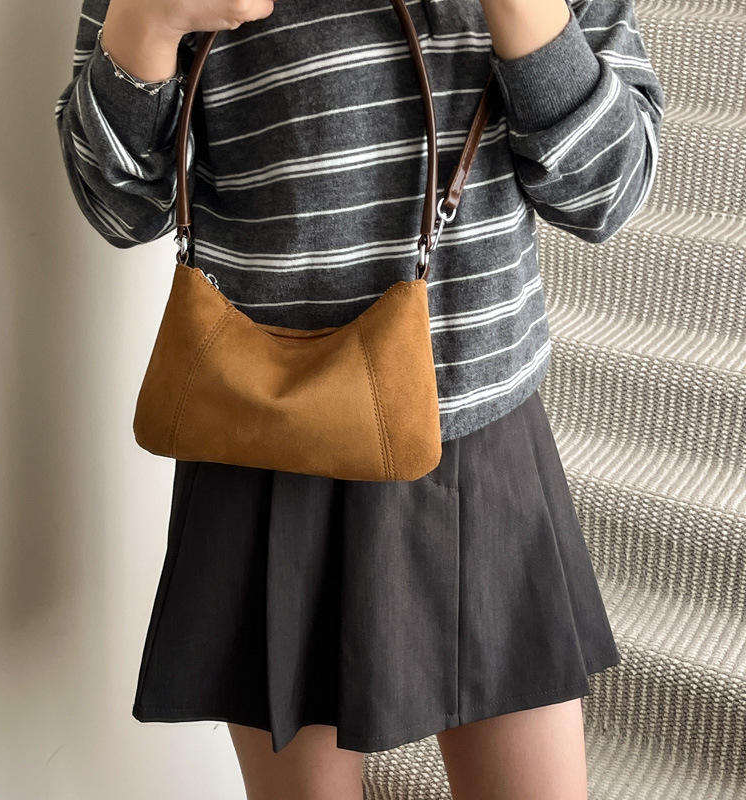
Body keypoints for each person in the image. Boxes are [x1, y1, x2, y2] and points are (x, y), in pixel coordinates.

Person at [54, 0, 664, 797]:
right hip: (263, 443)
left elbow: (610, 192)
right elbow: (117, 206)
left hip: (477, 438)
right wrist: (151, 21)